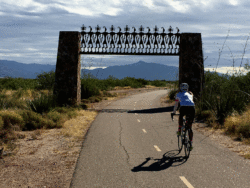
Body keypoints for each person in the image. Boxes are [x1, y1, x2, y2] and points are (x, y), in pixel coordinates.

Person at [172, 83, 195, 150]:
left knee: (181, 116)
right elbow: (191, 99)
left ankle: (179, 129)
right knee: (190, 127)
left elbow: (176, 105)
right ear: (187, 88)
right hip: (192, 108)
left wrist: (174, 112)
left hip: (183, 107)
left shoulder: (178, 94)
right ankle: (190, 143)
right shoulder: (190, 94)